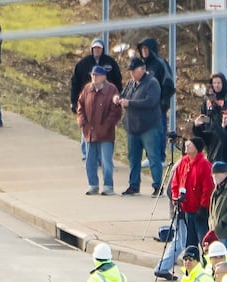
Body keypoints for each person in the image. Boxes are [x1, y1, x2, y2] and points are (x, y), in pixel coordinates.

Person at [158, 138, 214, 278]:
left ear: (197, 148)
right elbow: (175, 183)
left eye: (191, 144)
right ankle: (192, 270)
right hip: (185, 209)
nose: (187, 145)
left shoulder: (204, 165)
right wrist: (177, 200)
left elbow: (208, 188)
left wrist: (203, 206)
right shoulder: (183, 162)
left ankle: (209, 270)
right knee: (190, 242)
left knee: (204, 241)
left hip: (199, 210)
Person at [118, 59, 164, 196]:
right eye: (130, 71)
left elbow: (150, 102)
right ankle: (134, 185)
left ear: (143, 69)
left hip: (149, 126)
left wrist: (130, 103)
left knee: (153, 157)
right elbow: (123, 95)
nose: (132, 73)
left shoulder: (152, 83)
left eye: (134, 70)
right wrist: (118, 99)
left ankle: (157, 186)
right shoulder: (131, 83)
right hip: (132, 127)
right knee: (133, 157)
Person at [76, 66, 122, 195]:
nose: (94, 77)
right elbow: (80, 106)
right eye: (92, 75)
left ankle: (108, 186)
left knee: (106, 161)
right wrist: (82, 122)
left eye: (97, 75)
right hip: (89, 132)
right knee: (90, 160)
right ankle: (93, 185)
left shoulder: (111, 90)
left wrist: (106, 126)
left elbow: (116, 112)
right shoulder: (87, 89)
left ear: (103, 77)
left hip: (106, 134)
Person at [193, 76, 227, 176]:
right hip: (213, 166)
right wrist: (197, 126)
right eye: (214, 83)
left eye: (219, 83)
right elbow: (203, 138)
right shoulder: (207, 101)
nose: (216, 85)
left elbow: (225, 139)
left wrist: (217, 121)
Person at [69, 38, 120, 117]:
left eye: (99, 48)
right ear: (91, 49)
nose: (97, 50)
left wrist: (118, 98)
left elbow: (117, 81)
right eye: (95, 48)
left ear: (103, 49)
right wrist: (74, 102)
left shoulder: (111, 62)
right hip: (88, 101)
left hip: (107, 103)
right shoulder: (83, 63)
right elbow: (75, 84)